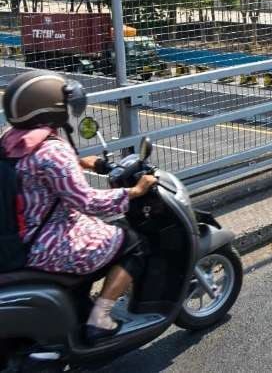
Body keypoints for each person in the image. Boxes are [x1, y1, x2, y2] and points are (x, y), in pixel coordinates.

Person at [0, 70, 157, 343]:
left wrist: (82, 161)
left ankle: (79, 305)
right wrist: (133, 191)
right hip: (47, 243)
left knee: (104, 233)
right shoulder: (52, 152)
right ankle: (100, 319)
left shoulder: (11, 139)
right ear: (51, 109)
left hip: (19, 235)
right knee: (133, 242)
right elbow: (87, 202)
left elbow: (37, 173)